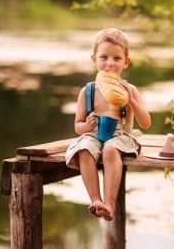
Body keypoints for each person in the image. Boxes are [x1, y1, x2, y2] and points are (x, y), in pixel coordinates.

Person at [65, 28, 151, 221]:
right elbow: (78, 126)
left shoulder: (129, 89)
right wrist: (86, 126)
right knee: (84, 149)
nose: (110, 64)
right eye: (103, 57)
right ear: (94, 59)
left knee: (110, 151)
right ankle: (96, 199)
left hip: (120, 136)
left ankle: (110, 203)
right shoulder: (87, 91)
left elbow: (145, 123)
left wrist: (131, 101)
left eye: (117, 59)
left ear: (126, 62)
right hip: (93, 133)